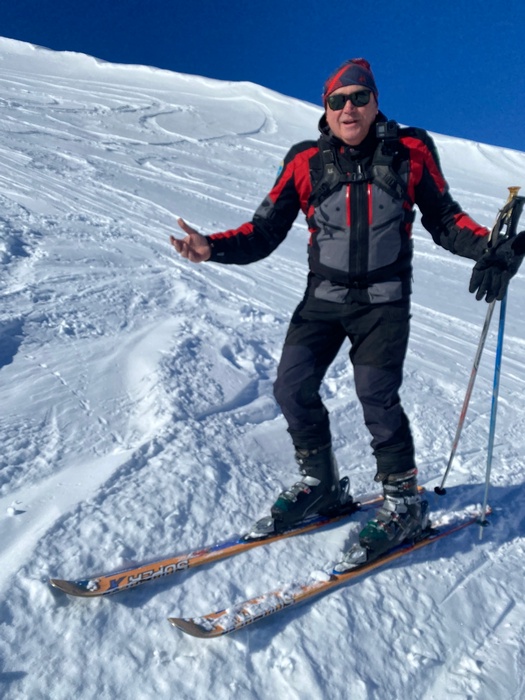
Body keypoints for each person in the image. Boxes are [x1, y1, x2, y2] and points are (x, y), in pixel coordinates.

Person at [170, 58, 525, 568]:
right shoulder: (304, 161)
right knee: (291, 388)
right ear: (326, 109)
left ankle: (404, 503)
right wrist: (212, 247)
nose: (349, 108)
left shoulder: (411, 150)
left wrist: (488, 249)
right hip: (324, 300)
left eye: (359, 97)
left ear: (376, 101)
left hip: (384, 301)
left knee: (375, 395)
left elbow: (444, 218)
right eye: (338, 100)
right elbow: (264, 230)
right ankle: (320, 485)